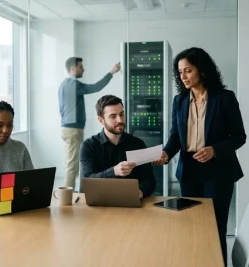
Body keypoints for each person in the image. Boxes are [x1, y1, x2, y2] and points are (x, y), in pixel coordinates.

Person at [153, 47, 246, 266]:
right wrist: (167, 152)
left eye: (188, 70)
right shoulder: (180, 101)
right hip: (189, 172)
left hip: (218, 172)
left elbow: (239, 137)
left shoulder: (224, 98)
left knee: (215, 228)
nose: (183, 76)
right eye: (180, 72)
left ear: (202, 71)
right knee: (189, 226)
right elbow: (176, 136)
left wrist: (215, 149)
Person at [58, 57, 120, 190]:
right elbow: (96, 87)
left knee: (74, 164)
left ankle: (80, 193)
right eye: (81, 67)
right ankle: (67, 199)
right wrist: (112, 72)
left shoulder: (63, 84)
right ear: (73, 69)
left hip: (68, 128)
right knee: (72, 166)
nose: (83, 69)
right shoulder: (73, 85)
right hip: (73, 130)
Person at [80, 95, 156, 198]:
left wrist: (140, 192)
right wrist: (114, 171)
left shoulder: (138, 144)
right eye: (113, 116)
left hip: (131, 201)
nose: (120, 120)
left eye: (121, 114)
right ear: (101, 120)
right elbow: (88, 180)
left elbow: (150, 180)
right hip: (100, 201)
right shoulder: (89, 145)